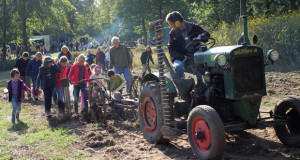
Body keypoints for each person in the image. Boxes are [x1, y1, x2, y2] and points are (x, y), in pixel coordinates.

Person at [166, 11, 210, 78]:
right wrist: (180, 56)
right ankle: (183, 85)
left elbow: (206, 34)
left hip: (195, 55)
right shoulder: (173, 33)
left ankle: (205, 83)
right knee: (178, 67)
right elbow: (170, 48)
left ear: (177, 22)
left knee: (208, 63)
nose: (171, 26)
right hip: (181, 57)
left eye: (171, 24)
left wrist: (199, 37)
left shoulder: (193, 27)